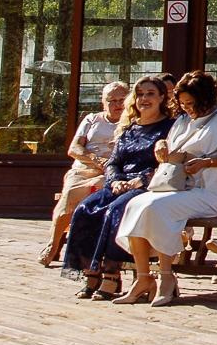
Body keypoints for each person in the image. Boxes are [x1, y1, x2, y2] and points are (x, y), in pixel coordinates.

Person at [113, 70, 217, 307]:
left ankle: (166, 277)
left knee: (158, 208)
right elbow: (171, 148)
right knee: (135, 204)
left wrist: (208, 162)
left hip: (207, 192)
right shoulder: (183, 121)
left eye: (191, 103)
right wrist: (162, 145)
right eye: (183, 103)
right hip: (175, 187)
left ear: (204, 99)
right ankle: (143, 278)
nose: (186, 107)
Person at [64, 75, 174, 298]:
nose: (144, 99)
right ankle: (91, 272)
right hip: (120, 183)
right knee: (86, 209)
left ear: (162, 97)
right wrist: (115, 181)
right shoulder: (129, 128)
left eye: (150, 94)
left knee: (116, 212)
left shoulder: (170, 128)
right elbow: (114, 161)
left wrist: (139, 181)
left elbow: (167, 164)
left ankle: (112, 275)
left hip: (148, 186)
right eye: (141, 94)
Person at [41, 80, 126, 266]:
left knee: (93, 191)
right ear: (103, 102)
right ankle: (53, 244)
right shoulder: (92, 119)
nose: (117, 104)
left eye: (122, 99)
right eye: (112, 100)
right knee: (70, 192)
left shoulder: (131, 123)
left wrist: (109, 164)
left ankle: (86, 246)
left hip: (110, 171)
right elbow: (74, 149)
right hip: (84, 168)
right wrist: (95, 159)